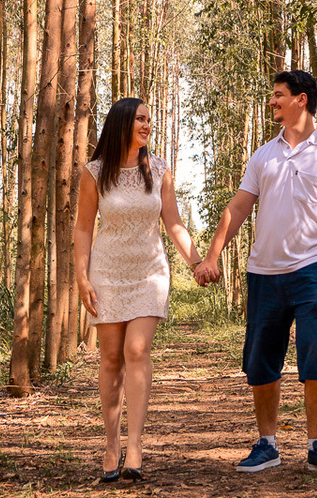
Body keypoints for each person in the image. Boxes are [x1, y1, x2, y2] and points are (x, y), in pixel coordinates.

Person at [194, 70, 317, 476]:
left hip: (316, 268)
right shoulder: (264, 155)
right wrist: (211, 257)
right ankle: (267, 444)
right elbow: (238, 208)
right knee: (260, 361)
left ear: (301, 100)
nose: (272, 102)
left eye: (278, 96)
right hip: (264, 272)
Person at [74, 97, 208, 483]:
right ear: (121, 125)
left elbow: (174, 224)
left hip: (150, 271)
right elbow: (83, 228)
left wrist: (197, 262)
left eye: (149, 119)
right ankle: (111, 442)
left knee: (137, 350)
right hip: (107, 272)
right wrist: (82, 277)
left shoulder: (160, 170)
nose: (147, 125)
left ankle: (135, 444)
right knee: (111, 358)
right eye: (140, 119)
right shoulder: (96, 172)